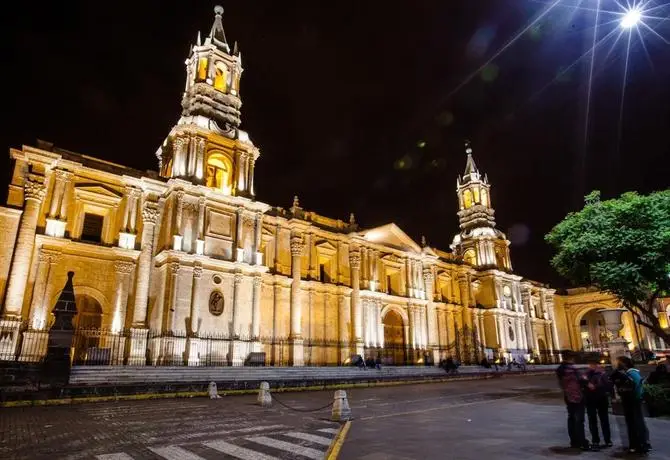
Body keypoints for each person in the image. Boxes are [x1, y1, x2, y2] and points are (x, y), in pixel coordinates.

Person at [611, 356, 651, 454]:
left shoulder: (631, 373)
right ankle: (638, 444)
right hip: (632, 401)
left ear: (624, 363)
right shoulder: (629, 373)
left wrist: (635, 397)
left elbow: (638, 385)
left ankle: (640, 445)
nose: (616, 364)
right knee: (634, 422)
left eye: (618, 362)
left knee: (635, 422)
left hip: (632, 401)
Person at [556, 352, 590, 450]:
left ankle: (574, 441)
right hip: (577, 396)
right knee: (579, 420)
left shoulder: (560, 369)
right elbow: (583, 380)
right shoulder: (572, 369)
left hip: (567, 395)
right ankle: (582, 442)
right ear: (571, 358)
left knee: (571, 418)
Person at [582, 359, 613, 449]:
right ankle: (596, 441)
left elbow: (608, 386)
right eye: (590, 364)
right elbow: (582, 382)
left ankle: (607, 440)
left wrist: (596, 386)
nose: (591, 366)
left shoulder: (602, 374)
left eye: (593, 364)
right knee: (593, 421)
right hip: (591, 399)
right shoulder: (586, 374)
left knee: (603, 420)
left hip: (600, 398)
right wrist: (587, 384)